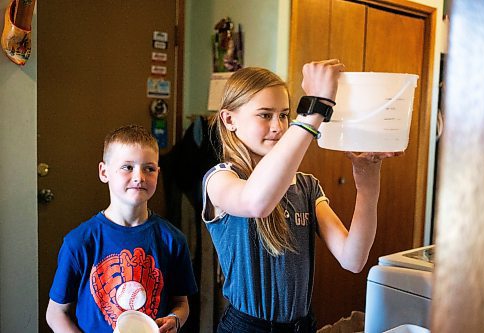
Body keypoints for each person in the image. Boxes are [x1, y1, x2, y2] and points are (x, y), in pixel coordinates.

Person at [201, 60, 401, 333]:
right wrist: (315, 107)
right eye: (264, 115)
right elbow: (256, 202)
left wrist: (367, 182)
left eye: (284, 115)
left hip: (302, 326)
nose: (278, 126)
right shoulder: (220, 179)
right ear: (229, 119)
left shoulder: (306, 186)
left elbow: (352, 259)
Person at [46, 124, 198, 333]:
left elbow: (182, 303)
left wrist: (175, 319)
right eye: (127, 167)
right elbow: (55, 313)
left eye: (149, 168)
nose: (139, 177)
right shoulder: (79, 242)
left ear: (158, 172)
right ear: (104, 171)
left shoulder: (173, 240)